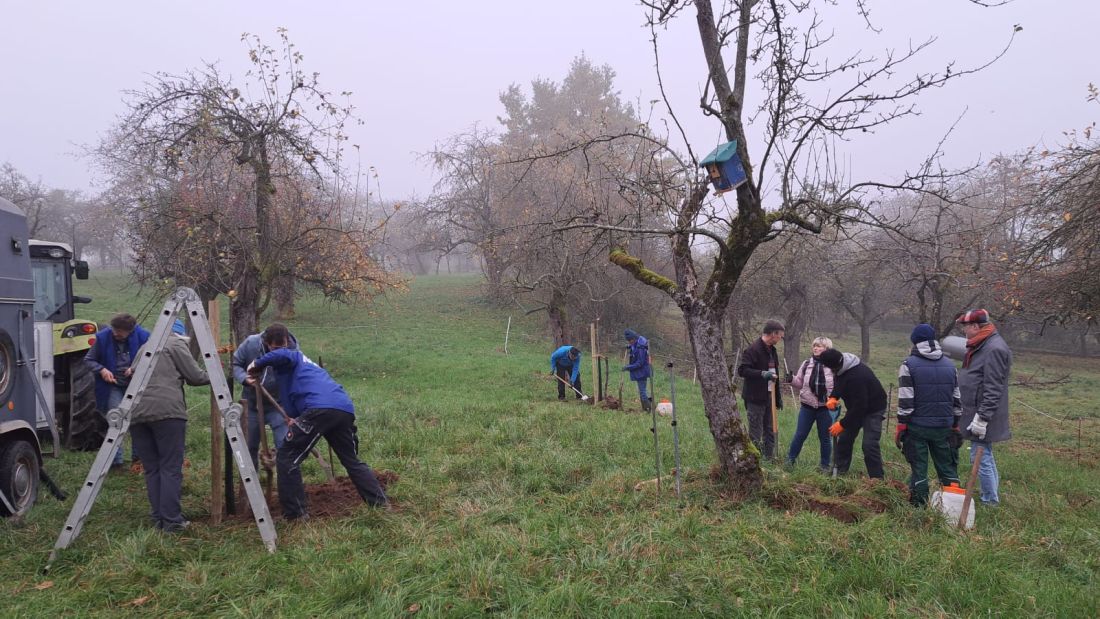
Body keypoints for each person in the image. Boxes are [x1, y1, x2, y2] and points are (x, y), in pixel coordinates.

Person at [249, 326, 388, 520]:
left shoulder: (292, 356)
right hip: (342, 408)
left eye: (274, 348)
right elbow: (295, 399)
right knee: (351, 461)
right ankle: (380, 503)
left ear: (274, 345)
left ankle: (295, 515)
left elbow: (282, 355)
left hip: (320, 409)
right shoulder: (303, 366)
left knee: (287, 457)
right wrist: (294, 419)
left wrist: (255, 364)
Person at [129, 319, 209, 532]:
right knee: (171, 468)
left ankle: (158, 517)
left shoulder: (144, 348)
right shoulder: (175, 344)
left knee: (152, 468)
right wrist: (216, 376)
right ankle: (173, 521)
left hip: (136, 414)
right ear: (181, 334)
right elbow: (195, 377)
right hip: (167, 413)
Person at [896, 324, 962, 506]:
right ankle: (953, 509)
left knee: (919, 468)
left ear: (914, 342)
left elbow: (905, 400)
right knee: (947, 468)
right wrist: (955, 425)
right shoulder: (950, 365)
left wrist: (901, 426)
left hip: (918, 428)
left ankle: (918, 508)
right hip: (944, 427)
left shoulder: (908, 365)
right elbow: (956, 398)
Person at [956, 309, 1012, 506]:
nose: (963, 331)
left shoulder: (993, 349)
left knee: (979, 456)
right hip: (976, 410)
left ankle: (989, 501)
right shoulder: (983, 344)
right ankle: (992, 496)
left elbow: (993, 386)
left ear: (975, 326)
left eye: (965, 327)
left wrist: (982, 417)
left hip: (982, 413)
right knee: (984, 453)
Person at [85, 312, 150, 468]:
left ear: (131, 331)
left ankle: (138, 460)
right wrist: (102, 370)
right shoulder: (103, 337)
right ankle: (115, 462)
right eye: (114, 330)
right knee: (116, 420)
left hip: (135, 386)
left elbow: (152, 360)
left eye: (120, 332)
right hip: (112, 386)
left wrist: (135, 369)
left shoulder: (144, 337)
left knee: (136, 420)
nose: (116, 334)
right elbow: (89, 360)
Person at [232, 323, 299, 469]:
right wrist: (245, 378)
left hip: (278, 405)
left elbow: (295, 377)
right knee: (249, 447)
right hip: (252, 405)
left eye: (283, 347)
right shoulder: (251, 344)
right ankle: (251, 488)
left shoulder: (293, 351)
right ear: (266, 342)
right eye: (275, 348)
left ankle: (287, 487)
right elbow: (235, 364)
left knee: (285, 446)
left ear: (287, 341)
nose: (280, 352)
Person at [819, 348, 886, 479]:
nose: (830, 370)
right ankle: (840, 474)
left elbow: (861, 406)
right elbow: (840, 383)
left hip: (873, 409)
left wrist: (842, 424)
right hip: (856, 408)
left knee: (869, 445)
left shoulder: (857, 376)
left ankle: (877, 480)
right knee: (844, 440)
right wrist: (834, 396)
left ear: (834, 365)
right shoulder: (840, 367)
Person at [737, 320, 784, 459]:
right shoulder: (753, 349)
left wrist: (778, 398)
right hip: (755, 398)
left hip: (770, 397)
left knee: (769, 429)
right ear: (773, 334)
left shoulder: (772, 351)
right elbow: (743, 370)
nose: (781, 338)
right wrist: (762, 374)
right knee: (755, 431)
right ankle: (754, 461)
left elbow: (775, 376)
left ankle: (769, 459)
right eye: (780, 335)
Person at [786, 336, 835, 470]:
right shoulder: (807, 363)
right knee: (800, 435)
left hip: (825, 408)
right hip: (807, 407)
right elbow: (800, 383)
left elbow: (840, 386)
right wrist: (791, 379)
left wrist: (835, 398)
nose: (816, 348)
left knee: (825, 438)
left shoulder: (833, 366)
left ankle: (824, 466)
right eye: (814, 345)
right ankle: (789, 462)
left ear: (827, 349)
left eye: (820, 346)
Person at [622, 329, 653, 411]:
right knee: (642, 390)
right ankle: (649, 406)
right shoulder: (637, 342)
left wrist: (628, 367)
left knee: (642, 391)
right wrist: (630, 347)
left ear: (634, 338)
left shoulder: (640, 347)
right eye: (628, 341)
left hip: (642, 371)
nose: (629, 342)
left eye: (630, 341)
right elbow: (634, 348)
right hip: (641, 371)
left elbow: (640, 363)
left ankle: (648, 409)